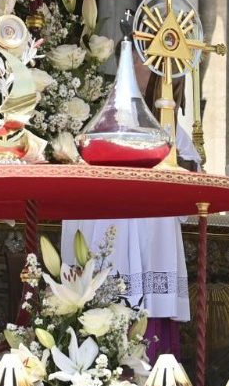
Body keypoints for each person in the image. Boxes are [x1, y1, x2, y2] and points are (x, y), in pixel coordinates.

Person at [63, 64, 201, 361]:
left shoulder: (167, 128)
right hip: (108, 233)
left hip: (152, 234)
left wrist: (175, 161)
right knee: (101, 308)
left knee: (151, 310)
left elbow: (192, 176)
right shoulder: (93, 125)